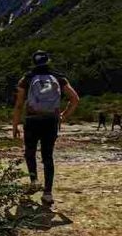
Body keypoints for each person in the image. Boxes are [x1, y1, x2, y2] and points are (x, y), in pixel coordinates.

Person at [13, 51, 80, 206]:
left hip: (32, 119)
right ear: (48, 61)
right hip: (51, 120)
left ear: (33, 63)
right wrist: (63, 115)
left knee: (30, 151)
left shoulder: (26, 78)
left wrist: (15, 125)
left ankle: (34, 180)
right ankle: (48, 193)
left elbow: (18, 105)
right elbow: (75, 99)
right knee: (47, 155)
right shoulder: (59, 77)